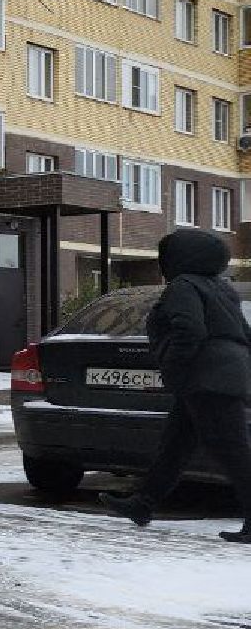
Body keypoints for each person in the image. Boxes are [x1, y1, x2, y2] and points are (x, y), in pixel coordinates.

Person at [101, 229, 251, 541]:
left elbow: (190, 330)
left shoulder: (183, 286)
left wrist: (173, 367)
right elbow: (244, 334)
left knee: (233, 452)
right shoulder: (222, 289)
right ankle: (143, 504)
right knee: (176, 444)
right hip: (221, 376)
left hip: (206, 378)